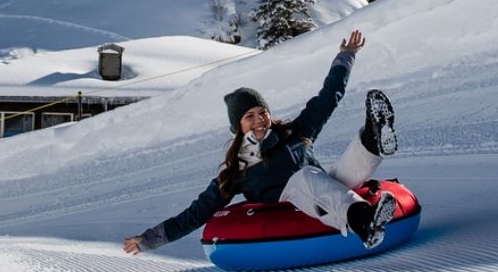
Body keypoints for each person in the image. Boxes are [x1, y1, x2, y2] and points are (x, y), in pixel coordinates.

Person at [123, 29, 399, 255]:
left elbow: (328, 97)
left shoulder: (294, 132)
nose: (259, 120)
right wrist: (149, 239)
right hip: (291, 207)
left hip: (323, 193)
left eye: (262, 112)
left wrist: (346, 56)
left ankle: (373, 137)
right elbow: (196, 213)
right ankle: (364, 223)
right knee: (306, 177)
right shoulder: (237, 168)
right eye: (249, 116)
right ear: (238, 126)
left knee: (343, 171)